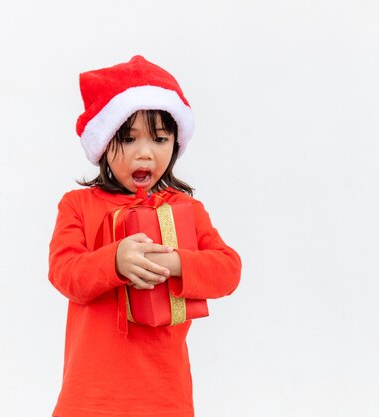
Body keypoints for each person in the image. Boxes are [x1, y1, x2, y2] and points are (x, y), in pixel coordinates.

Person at [48, 55, 241, 417]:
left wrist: (178, 262)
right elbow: (65, 273)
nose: (145, 153)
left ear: (175, 144)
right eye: (128, 138)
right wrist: (114, 261)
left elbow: (228, 270)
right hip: (91, 398)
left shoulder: (186, 209)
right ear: (104, 142)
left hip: (165, 397)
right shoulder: (77, 205)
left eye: (160, 139)